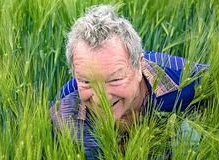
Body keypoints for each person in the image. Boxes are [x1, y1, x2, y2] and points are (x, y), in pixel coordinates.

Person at [50, 5, 208, 159]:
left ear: (139, 66)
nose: (100, 99)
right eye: (86, 82)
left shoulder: (184, 79)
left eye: (115, 79)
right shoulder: (64, 109)